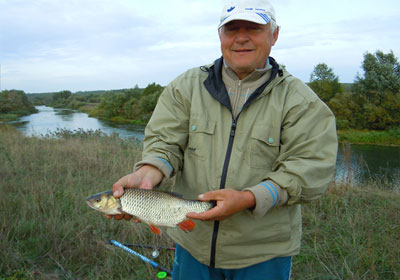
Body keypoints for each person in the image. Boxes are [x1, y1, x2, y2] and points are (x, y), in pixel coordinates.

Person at [107, 0, 338, 279]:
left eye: (252, 28)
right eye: (231, 29)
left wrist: (250, 198)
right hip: (193, 246)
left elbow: (309, 168)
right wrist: (148, 172)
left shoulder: (301, 102)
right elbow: (165, 142)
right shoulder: (185, 87)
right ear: (220, 36)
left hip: (264, 254)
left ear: (274, 35)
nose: (240, 37)